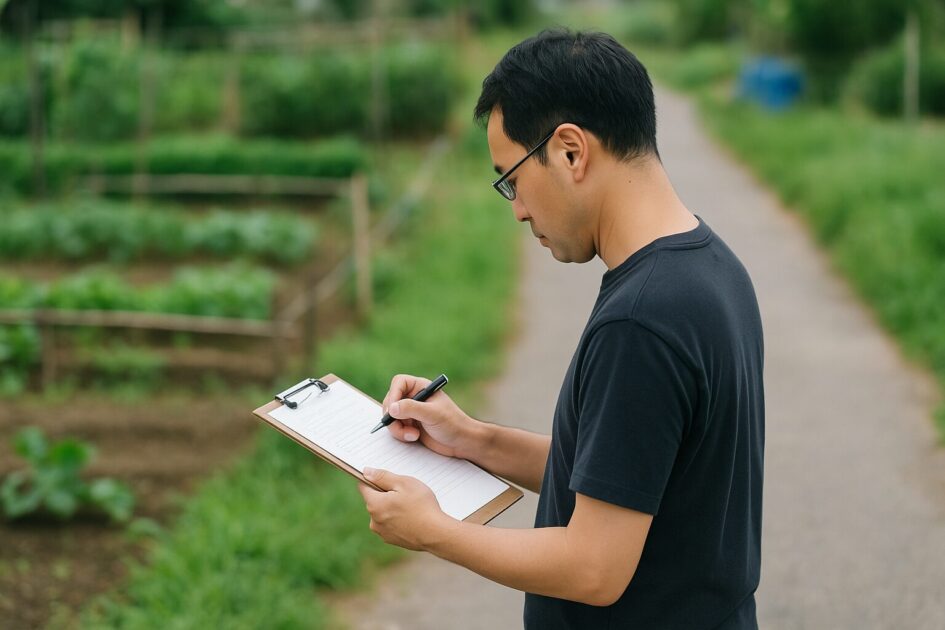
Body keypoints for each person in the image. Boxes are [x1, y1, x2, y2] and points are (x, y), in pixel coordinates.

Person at [358, 29, 764, 629]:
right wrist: (471, 439)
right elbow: (627, 474)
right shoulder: (709, 263)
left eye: (512, 179)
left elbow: (593, 568)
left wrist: (433, 531)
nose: (518, 208)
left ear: (571, 151)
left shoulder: (641, 320)